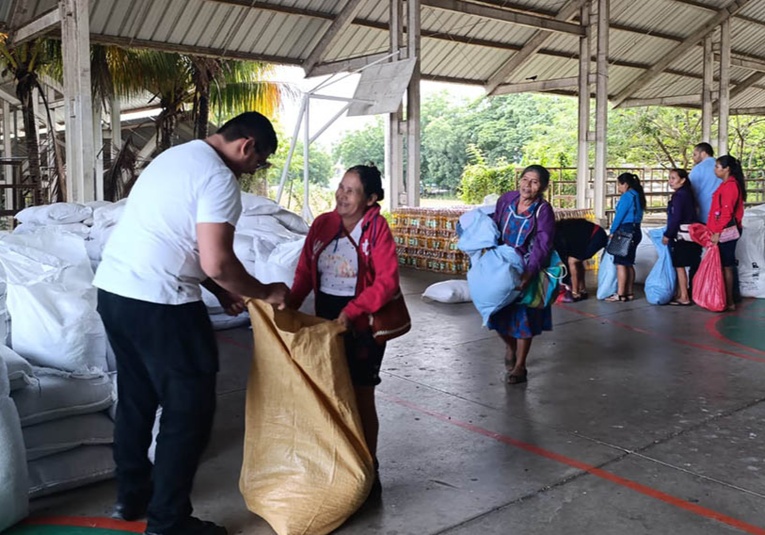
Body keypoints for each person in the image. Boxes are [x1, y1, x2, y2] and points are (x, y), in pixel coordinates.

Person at [94, 112, 290, 535]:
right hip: (161, 303)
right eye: (260, 162)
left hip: (114, 293)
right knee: (189, 411)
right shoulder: (219, 179)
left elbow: (177, 236)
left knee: (136, 397)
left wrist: (220, 290)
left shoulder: (177, 157)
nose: (256, 170)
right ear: (247, 146)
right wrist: (263, 290)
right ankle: (168, 522)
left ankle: (132, 496)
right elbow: (216, 259)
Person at [287, 164, 399, 495]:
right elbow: (305, 271)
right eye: (341, 187)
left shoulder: (376, 229)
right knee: (333, 394)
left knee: (362, 394)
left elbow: (387, 282)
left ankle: (369, 467)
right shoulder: (323, 224)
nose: (341, 194)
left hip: (362, 325)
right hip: (327, 324)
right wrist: (288, 306)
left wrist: (352, 311)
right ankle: (341, 464)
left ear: (371, 198)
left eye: (351, 190)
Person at [489, 165, 555, 385]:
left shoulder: (543, 210)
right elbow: (495, 224)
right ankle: (510, 345)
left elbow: (543, 245)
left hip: (526, 267)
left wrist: (530, 272)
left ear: (543, 186)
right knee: (495, 313)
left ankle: (520, 366)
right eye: (525, 179)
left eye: (535, 182)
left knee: (523, 316)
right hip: (501, 265)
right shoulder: (507, 199)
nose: (528, 185)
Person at [707, 155, 746, 311]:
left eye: (717, 167)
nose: (715, 170)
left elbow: (726, 213)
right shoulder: (725, 185)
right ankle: (725, 297)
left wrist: (717, 232)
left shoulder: (730, 186)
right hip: (722, 229)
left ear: (726, 169)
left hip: (726, 231)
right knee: (724, 264)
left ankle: (729, 301)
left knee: (727, 265)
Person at [662, 169, 701, 306]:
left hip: (681, 235)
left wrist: (668, 234)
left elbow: (676, 218)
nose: (670, 181)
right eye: (669, 178)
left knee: (679, 266)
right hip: (692, 234)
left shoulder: (679, 196)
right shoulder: (688, 194)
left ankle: (684, 296)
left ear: (683, 180)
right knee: (689, 265)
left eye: (673, 178)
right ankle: (682, 293)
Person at [606, 172, 646, 302]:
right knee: (629, 263)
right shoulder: (638, 196)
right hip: (636, 230)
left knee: (620, 263)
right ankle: (629, 293)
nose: (618, 187)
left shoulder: (627, 197)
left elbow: (619, 216)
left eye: (619, 184)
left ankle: (620, 293)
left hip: (625, 231)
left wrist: (612, 231)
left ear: (626, 184)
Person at [554, 218, 607, 301]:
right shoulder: (561, 228)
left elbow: (564, 259)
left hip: (595, 236)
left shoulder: (557, 235)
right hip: (597, 233)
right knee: (577, 261)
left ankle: (575, 293)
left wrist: (565, 280)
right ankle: (582, 289)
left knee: (572, 261)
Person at [689, 142, 721, 224]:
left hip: (703, 213)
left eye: (695, 154)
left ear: (703, 153)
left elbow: (690, 190)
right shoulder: (722, 167)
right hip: (721, 211)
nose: (693, 158)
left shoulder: (698, 169)